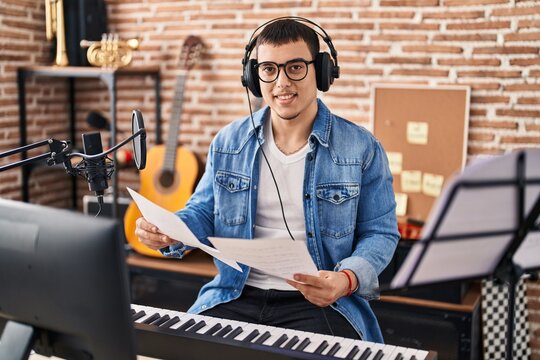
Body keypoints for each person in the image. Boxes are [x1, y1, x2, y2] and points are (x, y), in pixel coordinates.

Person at [135, 17, 399, 343]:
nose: (281, 82)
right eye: (269, 69)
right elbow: (202, 212)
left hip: (321, 304)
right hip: (235, 294)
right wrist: (169, 231)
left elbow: (380, 234)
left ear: (322, 71)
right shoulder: (229, 141)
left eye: (295, 67)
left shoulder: (362, 148)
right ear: (253, 75)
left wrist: (345, 280)